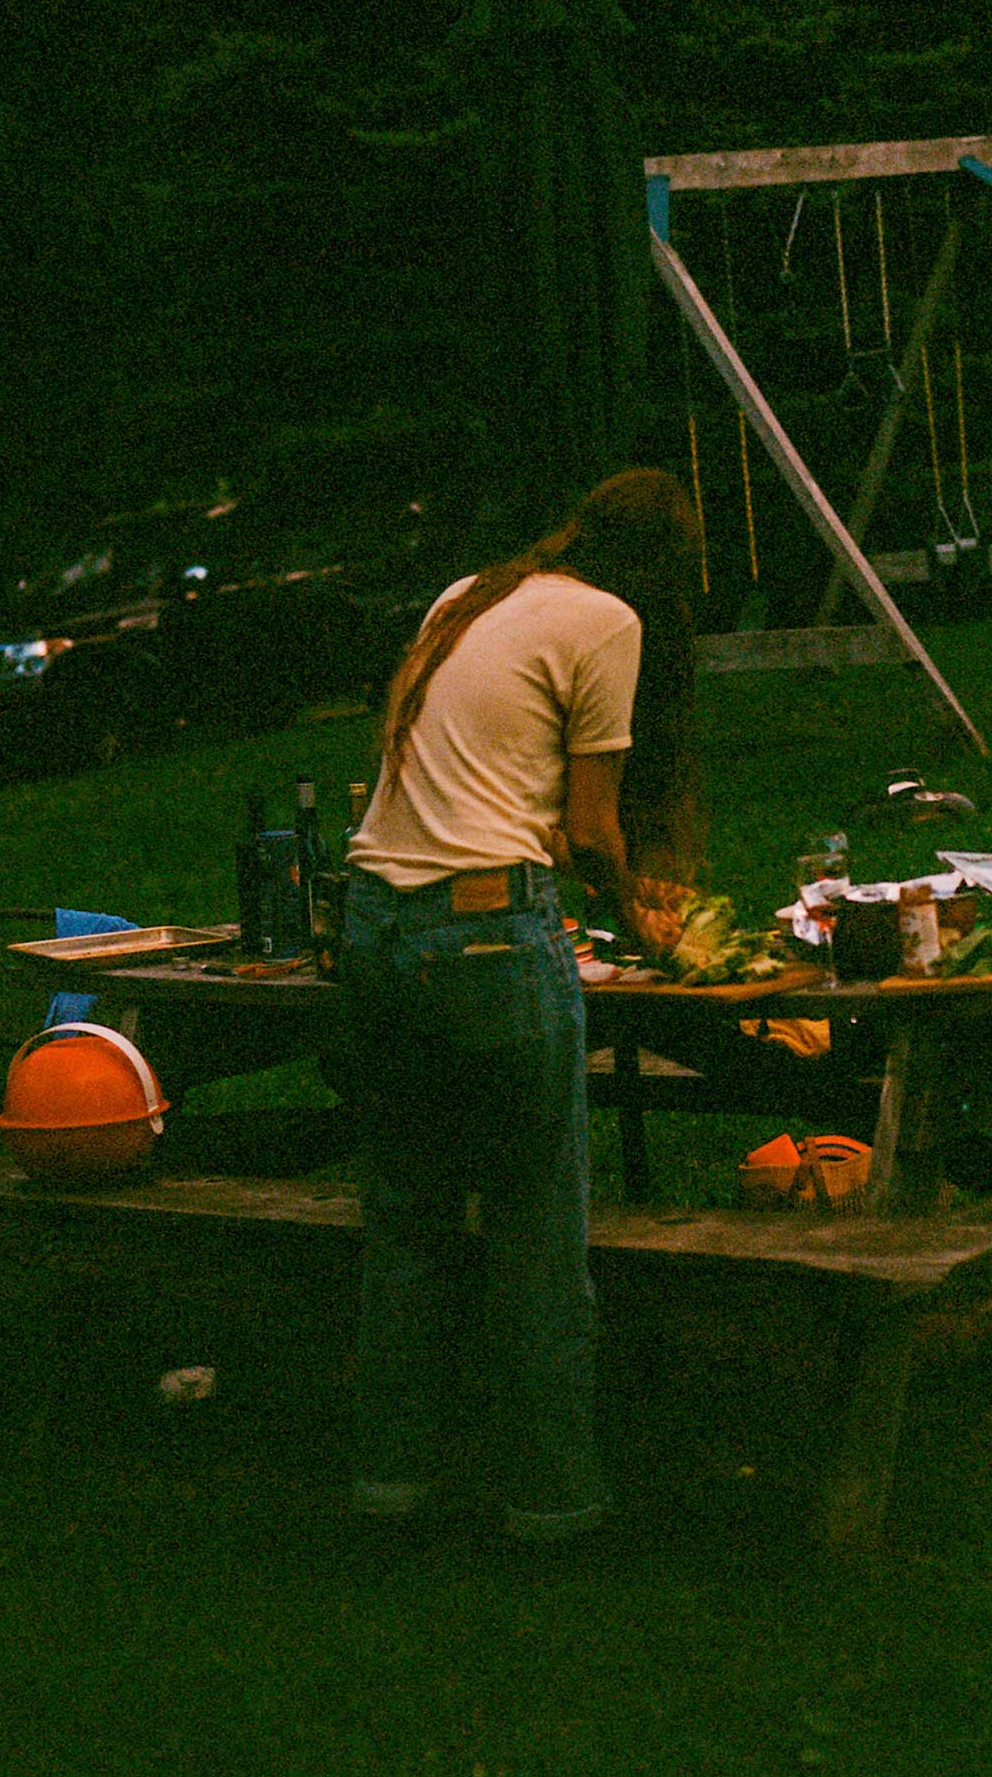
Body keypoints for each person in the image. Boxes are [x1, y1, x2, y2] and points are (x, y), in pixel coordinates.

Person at [339, 467, 701, 1540]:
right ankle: (551, 1499)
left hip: (373, 921)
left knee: (403, 1220)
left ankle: (390, 1481)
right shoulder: (610, 619)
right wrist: (638, 915)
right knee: (536, 1227)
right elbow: (592, 827)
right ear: (663, 566)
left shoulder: (468, 593)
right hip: (487, 934)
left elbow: (456, 770)